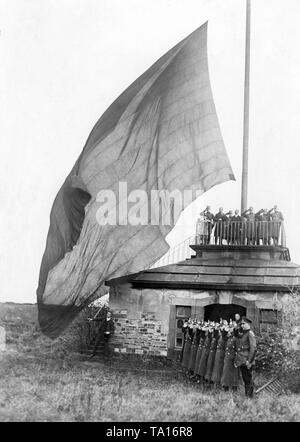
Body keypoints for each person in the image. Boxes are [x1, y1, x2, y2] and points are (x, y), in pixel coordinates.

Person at [234, 317, 257, 398]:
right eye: (241, 324)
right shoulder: (243, 333)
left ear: (248, 324)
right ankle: (248, 396)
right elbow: (236, 335)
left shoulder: (250, 333)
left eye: (244, 324)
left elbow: (253, 348)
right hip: (242, 360)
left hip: (247, 360)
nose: (242, 325)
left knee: (248, 379)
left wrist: (249, 361)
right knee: (245, 379)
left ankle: (249, 397)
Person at [221, 326, 240, 392]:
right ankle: (225, 386)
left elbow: (238, 350)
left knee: (234, 373)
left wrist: (236, 359)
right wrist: (225, 330)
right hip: (228, 357)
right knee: (226, 372)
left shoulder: (235, 339)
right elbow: (223, 337)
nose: (229, 331)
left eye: (231, 329)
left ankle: (234, 387)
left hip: (233, 357)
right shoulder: (228, 338)